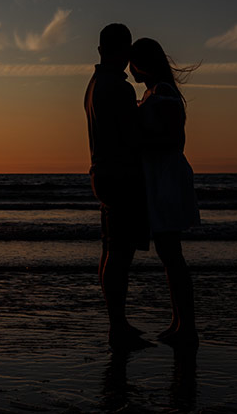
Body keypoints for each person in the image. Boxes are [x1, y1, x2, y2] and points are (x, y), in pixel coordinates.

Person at [85, 23, 152, 350]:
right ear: (124, 52)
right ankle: (118, 326)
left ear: (101, 50)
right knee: (119, 254)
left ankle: (117, 323)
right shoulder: (118, 88)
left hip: (101, 173)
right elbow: (132, 137)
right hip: (120, 175)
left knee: (110, 251)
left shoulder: (94, 84)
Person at [129, 37, 200, 346]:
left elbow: (175, 140)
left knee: (172, 255)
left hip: (167, 179)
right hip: (158, 178)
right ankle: (179, 320)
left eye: (133, 62)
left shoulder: (164, 94)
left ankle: (187, 325)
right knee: (169, 254)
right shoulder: (152, 93)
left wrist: (139, 142)